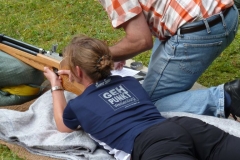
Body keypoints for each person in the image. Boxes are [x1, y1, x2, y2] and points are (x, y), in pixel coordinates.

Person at [44, 35, 240, 160]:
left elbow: (62, 124)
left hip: (153, 144)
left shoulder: (79, 105)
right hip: (187, 126)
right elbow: (102, 94)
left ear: (76, 70)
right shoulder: (130, 83)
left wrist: (56, 85)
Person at [97, 1, 240, 119]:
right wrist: (120, 54)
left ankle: (228, 96)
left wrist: (97, 57)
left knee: (148, 105)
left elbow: (141, 40)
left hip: (202, 27)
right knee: (151, 89)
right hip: (227, 12)